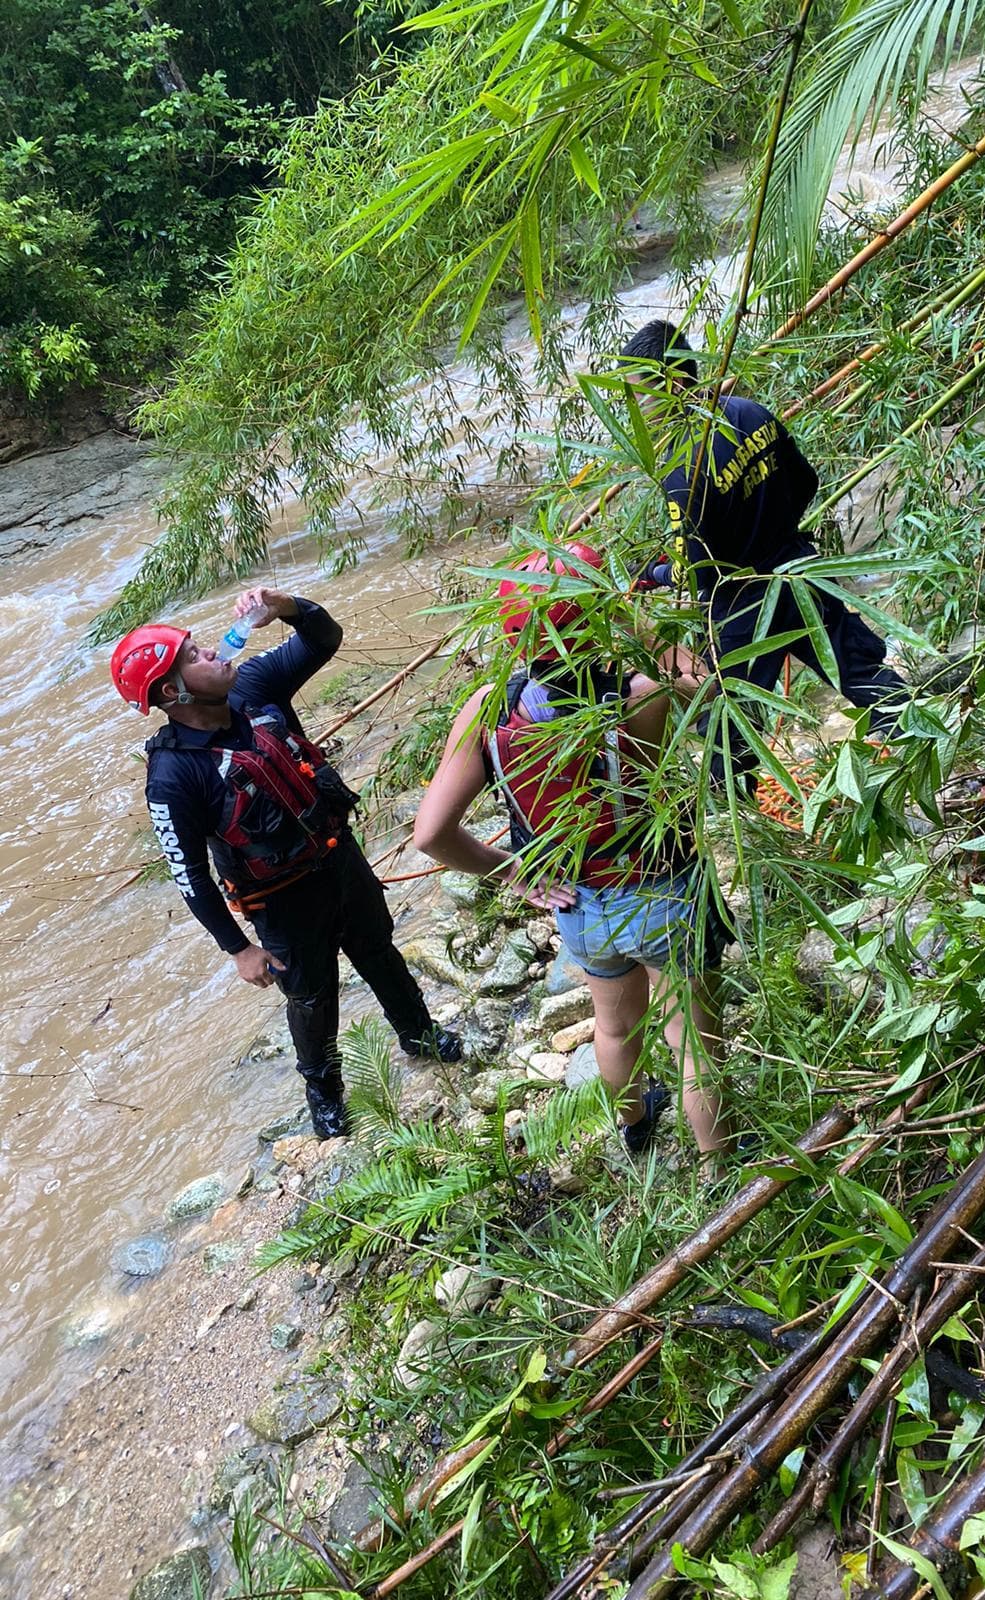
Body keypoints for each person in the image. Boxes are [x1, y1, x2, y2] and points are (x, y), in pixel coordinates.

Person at [411, 544, 736, 1168]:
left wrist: (515, 873)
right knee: (692, 1040)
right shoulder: (640, 695)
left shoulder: (490, 710)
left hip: (578, 905)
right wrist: (635, 621)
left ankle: (636, 1126)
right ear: (596, 617)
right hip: (660, 888)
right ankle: (722, 1168)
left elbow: (430, 835)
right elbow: (710, 684)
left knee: (614, 1028)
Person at [110, 588, 461, 1140]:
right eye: (194, 657)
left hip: (337, 858)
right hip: (280, 900)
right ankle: (325, 1094)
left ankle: (419, 1035)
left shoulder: (253, 686)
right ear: (172, 692)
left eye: (203, 646)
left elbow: (324, 639)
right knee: (312, 997)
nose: (213, 655)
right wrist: (239, 949)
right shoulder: (174, 776)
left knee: (378, 948)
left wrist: (287, 606)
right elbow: (189, 874)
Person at [619, 319, 907, 787]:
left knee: (730, 727)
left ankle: (738, 830)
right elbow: (806, 481)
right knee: (858, 670)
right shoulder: (750, 412)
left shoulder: (682, 466)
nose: (635, 409)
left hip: (744, 609)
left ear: (669, 385)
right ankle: (919, 742)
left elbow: (697, 571)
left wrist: (654, 572)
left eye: (637, 395)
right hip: (799, 571)